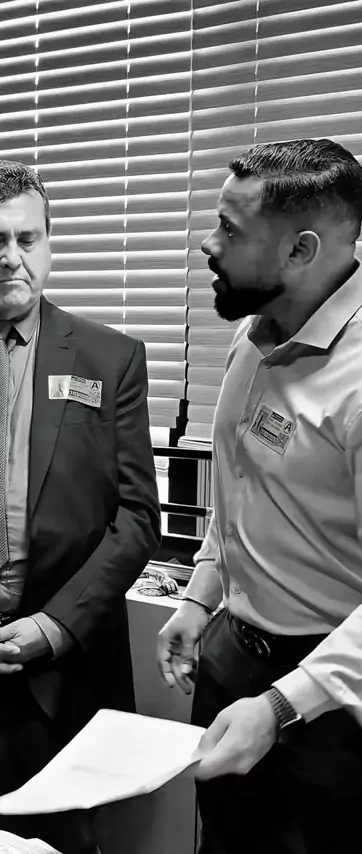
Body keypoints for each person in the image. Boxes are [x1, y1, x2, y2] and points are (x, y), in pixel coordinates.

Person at [157, 138, 362, 854]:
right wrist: (200, 597)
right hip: (236, 657)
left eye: (230, 230)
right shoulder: (255, 336)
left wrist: (280, 706)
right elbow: (246, 491)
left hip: (347, 694)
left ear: (301, 250)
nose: (207, 245)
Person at [0, 161, 161, 854]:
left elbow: (137, 518)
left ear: (49, 243)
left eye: (26, 238)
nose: (11, 257)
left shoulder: (108, 358)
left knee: (57, 840)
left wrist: (55, 626)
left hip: (57, 671)